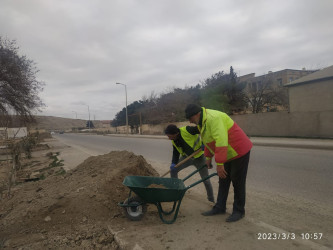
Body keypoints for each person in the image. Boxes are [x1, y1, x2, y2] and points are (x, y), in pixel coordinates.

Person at [184, 104, 252, 222]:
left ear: (196, 114)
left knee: (237, 181)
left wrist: (220, 164)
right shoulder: (202, 122)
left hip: (239, 150)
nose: (190, 122)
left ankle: (239, 211)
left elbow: (221, 140)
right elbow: (208, 140)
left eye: (190, 118)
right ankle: (220, 207)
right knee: (223, 180)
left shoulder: (213, 118)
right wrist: (208, 157)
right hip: (228, 153)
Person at [164, 124, 214, 203]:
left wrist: (206, 142)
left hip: (199, 157)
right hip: (187, 158)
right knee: (173, 170)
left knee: (206, 180)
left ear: (175, 133)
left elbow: (203, 129)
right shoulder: (174, 141)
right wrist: (173, 163)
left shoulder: (188, 130)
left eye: (170, 136)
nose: (169, 138)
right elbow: (175, 153)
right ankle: (176, 191)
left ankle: (211, 200)